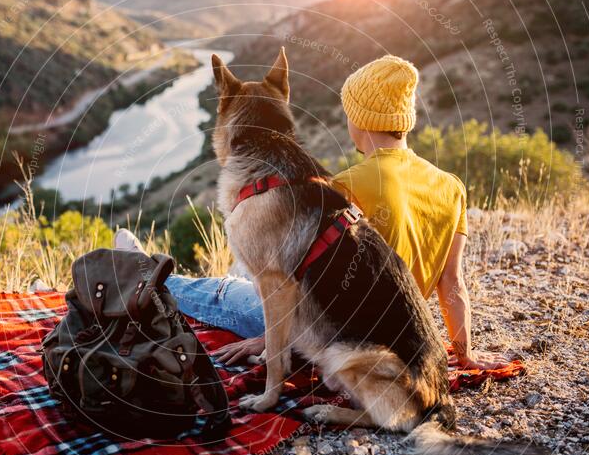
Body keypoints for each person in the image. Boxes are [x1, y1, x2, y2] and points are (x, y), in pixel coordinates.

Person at [116, 54, 509, 371]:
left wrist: (272, 341)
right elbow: (452, 286)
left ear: (361, 120)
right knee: (247, 272)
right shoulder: (450, 185)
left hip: (325, 325)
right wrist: (464, 353)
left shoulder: (342, 186)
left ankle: (142, 269)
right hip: (399, 331)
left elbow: (312, 283)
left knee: (221, 292)